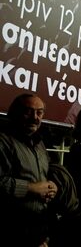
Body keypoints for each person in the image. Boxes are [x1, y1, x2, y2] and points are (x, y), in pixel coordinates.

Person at [0, 93, 57, 246]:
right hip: (11, 229)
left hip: (38, 227)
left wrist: (51, 187)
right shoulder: (3, 140)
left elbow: (44, 175)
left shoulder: (39, 143)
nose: (35, 117)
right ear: (14, 113)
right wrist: (31, 188)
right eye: (28, 111)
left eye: (39, 112)